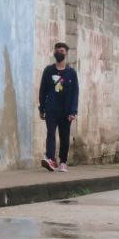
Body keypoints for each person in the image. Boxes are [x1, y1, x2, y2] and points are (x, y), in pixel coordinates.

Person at [39, 42, 79, 172]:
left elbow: (75, 93)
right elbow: (42, 90)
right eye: (56, 50)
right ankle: (50, 159)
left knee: (64, 136)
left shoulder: (71, 73)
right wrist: (42, 108)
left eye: (61, 51)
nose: (58, 53)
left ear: (66, 53)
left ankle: (63, 162)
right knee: (50, 134)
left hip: (66, 111)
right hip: (51, 109)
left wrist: (73, 111)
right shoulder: (48, 70)